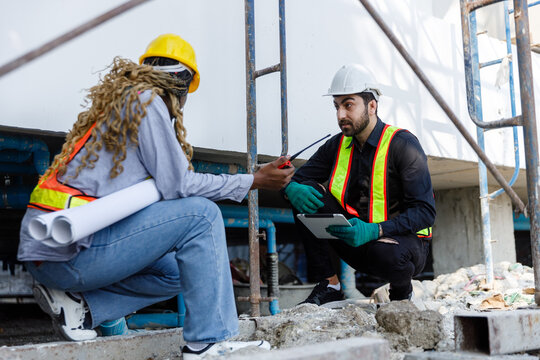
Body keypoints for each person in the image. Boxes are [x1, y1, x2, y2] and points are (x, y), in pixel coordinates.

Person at [18, 34, 294, 358]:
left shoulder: (124, 104)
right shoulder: (147, 100)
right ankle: (207, 342)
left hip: (55, 252)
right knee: (202, 215)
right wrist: (253, 180)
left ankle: (81, 306)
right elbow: (178, 185)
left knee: (179, 271)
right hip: (69, 253)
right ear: (181, 81)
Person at [284, 64, 435, 304]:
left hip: (398, 247)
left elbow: (425, 213)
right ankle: (329, 285)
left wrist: (376, 230)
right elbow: (299, 181)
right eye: (336, 106)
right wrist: (290, 187)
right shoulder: (337, 145)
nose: (340, 115)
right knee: (304, 194)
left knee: (388, 253)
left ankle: (401, 294)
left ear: (372, 105)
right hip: (352, 242)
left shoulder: (403, 145)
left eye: (348, 105)